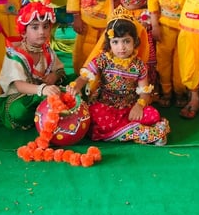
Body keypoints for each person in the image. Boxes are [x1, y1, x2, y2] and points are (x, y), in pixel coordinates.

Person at [70, 16, 170, 145]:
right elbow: (84, 77)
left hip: (129, 107)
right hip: (105, 106)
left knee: (153, 114)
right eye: (115, 42)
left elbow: (144, 93)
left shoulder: (139, 66)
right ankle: (146, 133)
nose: (121, 47)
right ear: (109, 43)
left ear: (135, 41)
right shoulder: (102, 59)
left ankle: (124, 131)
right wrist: (76, 86)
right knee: (94, 115)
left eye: (126, 41)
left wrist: (139, 106)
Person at [0, 2, 66, 129]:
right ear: (23, 32)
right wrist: (43, 89)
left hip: (43, 92)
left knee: (75, 81)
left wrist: (54, 76)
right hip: (20, 97)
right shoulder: (15, 55)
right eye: (35, 27)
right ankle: (48, 109)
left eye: (45, 26)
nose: (42, 32)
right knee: (18, 112)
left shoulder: (47, 51)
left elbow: (60, 70)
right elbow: (19, 86)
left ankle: (47, 108)